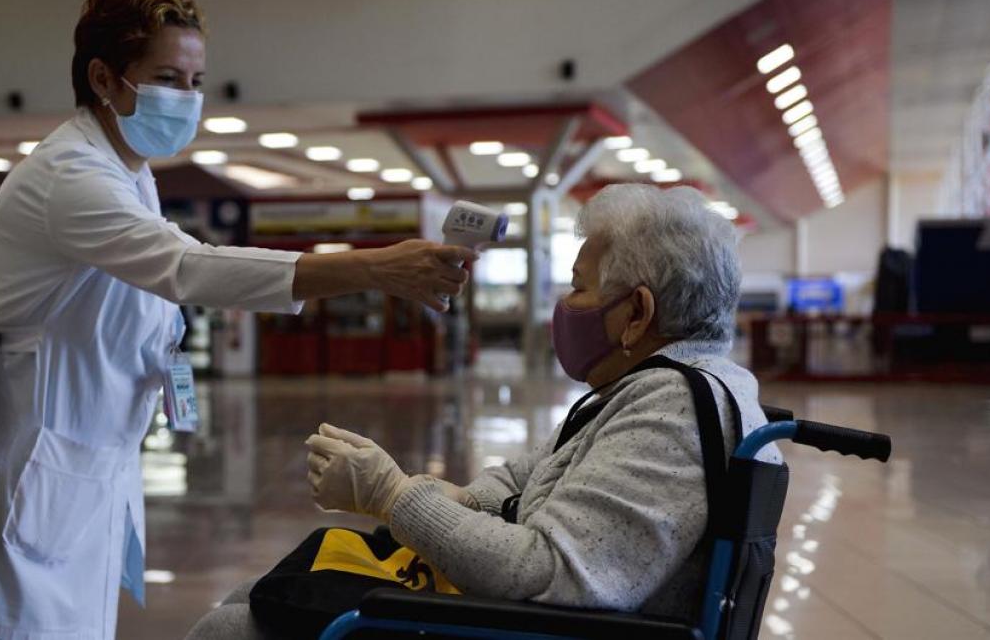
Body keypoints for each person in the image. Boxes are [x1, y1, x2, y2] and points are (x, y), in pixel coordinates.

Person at [0, 0, 474, 640]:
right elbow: (185, 266)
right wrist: (373, 266)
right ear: (104, 78)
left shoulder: (130, 174)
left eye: (196, 82)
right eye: (168, 78)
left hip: (86, 460)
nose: (187, 99)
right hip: (42, 460)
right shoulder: (70, 177)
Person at [188, 184, 782, 639]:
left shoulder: (669, 411)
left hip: (540, 628)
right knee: (261, 592)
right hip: (537, 619)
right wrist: (457, 498)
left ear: (637, 312)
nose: (564, 305)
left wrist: (393, 497)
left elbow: (550, 574)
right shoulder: (665, 387)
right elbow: (532, 474)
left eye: (579, 287)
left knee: (233, 628)